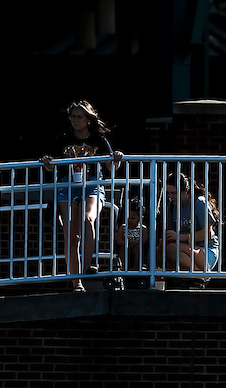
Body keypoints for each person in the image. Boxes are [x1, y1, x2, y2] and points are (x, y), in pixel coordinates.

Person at [40, 101, 123, 292]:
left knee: (88, 218)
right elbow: (52, 165)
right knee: (71, 234)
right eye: (73, 116)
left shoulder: (99, 140)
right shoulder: (62, 139)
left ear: (88, 119)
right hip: (67, 184)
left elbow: (111, 166)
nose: (75, 120)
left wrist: (116, 158)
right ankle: (76, 282)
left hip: (92, 184)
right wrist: (47, 161)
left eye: (80, 116)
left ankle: (86, 268)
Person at [162, 171, 220, 283]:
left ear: (186, 191)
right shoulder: (171, 206)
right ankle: (185, 280)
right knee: (160, 251)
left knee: (172, 248)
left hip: (206, 251)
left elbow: (207, 234)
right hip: (186, 250)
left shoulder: (199, 202)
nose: (170, 197)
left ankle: (201, 276)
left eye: (174, 193)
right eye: (168, 193)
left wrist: (179, 237)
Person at [115, 197, 150, 278]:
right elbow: (118, 238)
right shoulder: (123, 227)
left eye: (133, 218)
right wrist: (123, 242)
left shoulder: (143, 228)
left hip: (137, 245)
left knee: (138, 249)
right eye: (128, 218)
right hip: (125, 245)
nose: (130, 220)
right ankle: (123, 266)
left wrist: (136, 243)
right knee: (122, 249)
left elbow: (145, 239)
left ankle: (136, 266)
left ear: (141, 218)